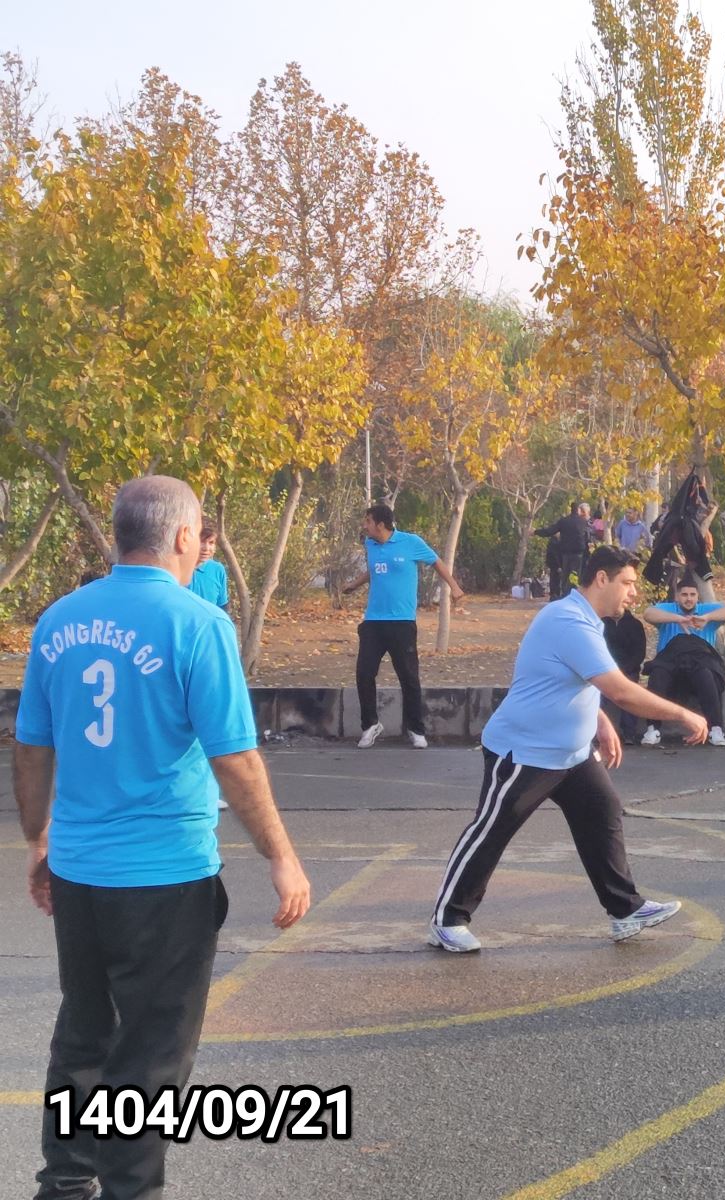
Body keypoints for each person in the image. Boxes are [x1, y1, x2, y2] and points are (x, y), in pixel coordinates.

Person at [13, 476, 311, 1198]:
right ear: (182, 535)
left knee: (84, 1034)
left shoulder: (58, 621)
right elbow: (235, 759)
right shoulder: (198, 623)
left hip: (81, 871)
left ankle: (64, 1182)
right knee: (150, 1058)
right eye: (200, 531)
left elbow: (30, 748)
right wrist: (281, 855)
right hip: (164, 876)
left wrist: (38, 840)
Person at [428, 545, 708, 952]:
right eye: (628, 583)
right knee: (492, 830)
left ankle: (624, 909)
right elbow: (620, 690)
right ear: (601, 579)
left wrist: (601, 722)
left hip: (571, 754)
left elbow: (574, 680)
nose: (633, 593)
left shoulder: (586, 619)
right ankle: (448, 919)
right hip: (524, 752)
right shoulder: (568, 621)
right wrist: (684, 714)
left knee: (602, 810)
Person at [343, 503, 465, 750]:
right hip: (373, 622)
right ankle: (370, 725)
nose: (364, 525)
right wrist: (354, 584)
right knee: (364, 674)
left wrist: (454, 587)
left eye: (368, 521)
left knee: (408, 677)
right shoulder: (370, 545)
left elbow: (436, 562)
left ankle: (416, 729)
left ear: (380, 524)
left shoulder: (411, 542)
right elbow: (376, 570)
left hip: (402, 623)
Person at [639, 577, 725, 748]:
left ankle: (715, 729)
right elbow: (648, 614)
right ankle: (652, 729)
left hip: (700, 664)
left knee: (705, 674)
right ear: (677, 596)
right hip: (671, 664)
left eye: (692, 595)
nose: (688, 598)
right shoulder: (668, 609)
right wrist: (677, 619)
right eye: (684, 595)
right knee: (657, 674)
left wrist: (707, 618)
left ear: (698, 596)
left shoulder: (705, 611)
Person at [601, 605, 647, 744]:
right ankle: (593, 732)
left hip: (628, 670)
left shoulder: (635, 625)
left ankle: (629, 733)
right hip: (604, 670)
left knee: (629, 692)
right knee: (595, 694)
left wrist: (625, 669)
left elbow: (639, 653)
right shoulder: (601, 624)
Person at [535, 502, 593, 601]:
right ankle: (574, 597)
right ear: (578, 510)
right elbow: (589, 537)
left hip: (566, 554)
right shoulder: (583, 522)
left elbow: (549, 531)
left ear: (571, 509)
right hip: (579, 554)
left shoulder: (564, 521)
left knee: (565, 577)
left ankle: (565, 596)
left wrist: (536, 532)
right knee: (576, 576)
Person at [187, 521, 229, 610]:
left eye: (211, 542)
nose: (206, 548)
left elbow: (222, 607)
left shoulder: (218, 570)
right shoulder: (176, 568)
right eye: (201, 541)